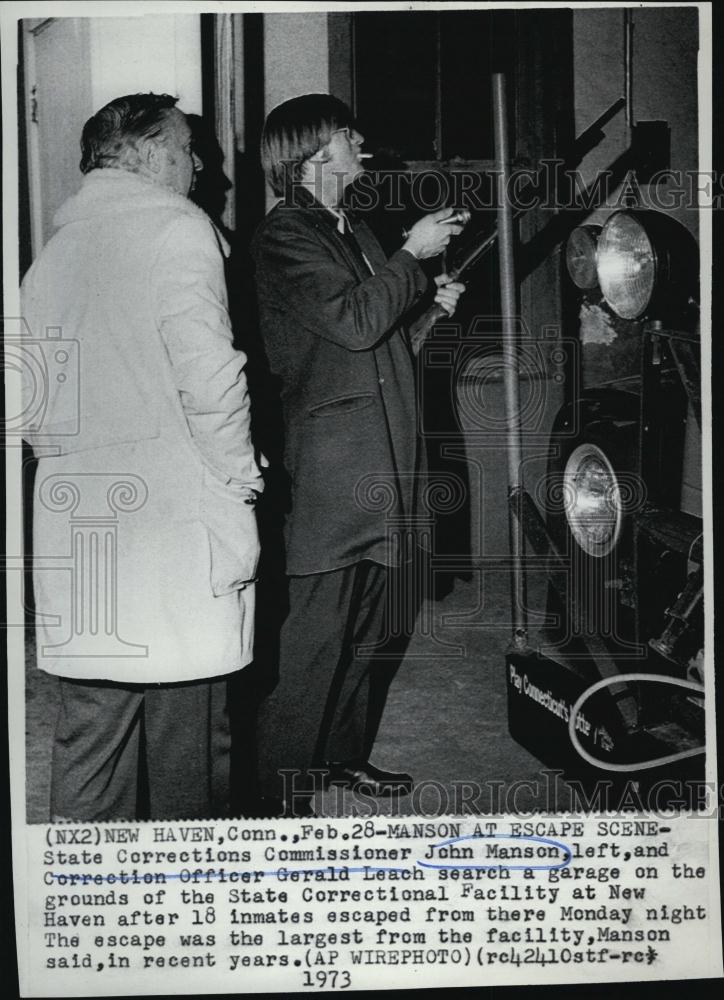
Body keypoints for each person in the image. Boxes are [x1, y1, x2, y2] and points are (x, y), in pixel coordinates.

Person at [21, 93, 262, 821]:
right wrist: (239, 475)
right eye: (189, 148)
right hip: (170, 525)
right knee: (190, 733)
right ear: (151, 153)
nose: (200, 166)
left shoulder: (51, 252)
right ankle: (189, 908)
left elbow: (24, 402)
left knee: (93, 733)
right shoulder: (180, 230)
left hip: (79, 523)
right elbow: (212, 378)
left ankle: (86, 906)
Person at [251, 93, 465, 815]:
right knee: (316, 640)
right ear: (313, 153)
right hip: (334, 470)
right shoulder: (286, 235)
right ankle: (275, 798)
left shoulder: (354, 229)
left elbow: (384, 345)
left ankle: (339, 758)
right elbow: (352, 322)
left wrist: (430, 308)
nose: (361, 139)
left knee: (370, 627)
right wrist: (412, 255)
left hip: (386, 461)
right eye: (348, 132)